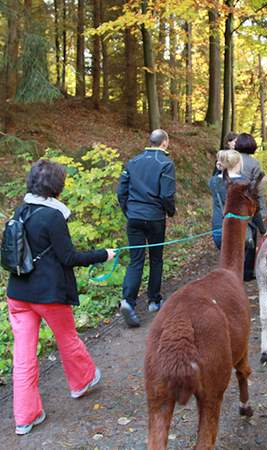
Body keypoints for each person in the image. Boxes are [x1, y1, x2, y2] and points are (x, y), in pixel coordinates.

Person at [6, 160, 115, 435]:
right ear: (56, 186)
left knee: (23, 356)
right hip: (48, 294)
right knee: (67, 338)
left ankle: (24, 418)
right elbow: (69, 257)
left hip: (18, 295)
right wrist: (104, 254)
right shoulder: (53, 216)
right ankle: (82, 381)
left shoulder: (21, 211)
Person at [117, 129, 176, 327]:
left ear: (150, 141)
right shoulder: (166, 163)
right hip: (155, 218)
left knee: (136, 260)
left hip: (134, 216)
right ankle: (153, 300)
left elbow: (121, 192)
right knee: (156, 258)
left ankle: (128, 301)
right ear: (165, 143)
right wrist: (170, 211)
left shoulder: (132, 162)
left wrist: (129, 211)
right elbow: (166, 195)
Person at [208, 150, 267, 280]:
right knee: (236, 268)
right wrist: (263, 230)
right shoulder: (244, 183)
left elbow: (219, 178)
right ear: (239, 163)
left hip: (219, 229)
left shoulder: (212, 181)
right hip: (239, 232)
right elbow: (254, 210)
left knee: (226, 264)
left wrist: (219, 168)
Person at [234, 133, 267, 220]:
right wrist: (263, 210)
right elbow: (257, 188)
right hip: (246, 205)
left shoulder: (229, 159)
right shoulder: (254, 163)